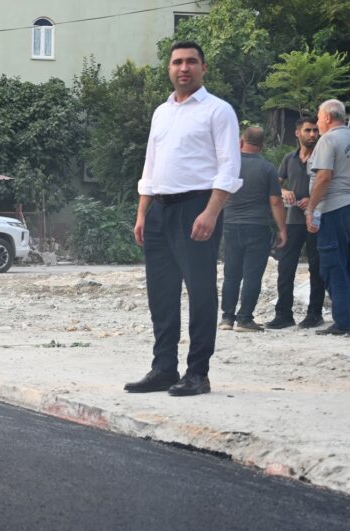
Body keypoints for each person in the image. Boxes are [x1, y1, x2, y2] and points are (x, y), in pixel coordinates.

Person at [125, 41, 241, 397]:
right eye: (177, 62)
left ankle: (197, 373)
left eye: (191, 62)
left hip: (197, 208)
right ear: (169, 69)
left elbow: (229, 167)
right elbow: (151, 165)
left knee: (201, 291)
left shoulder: (218, 111)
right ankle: (163, 368)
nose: (184, 68)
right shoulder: (162, 113)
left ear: (203, 68)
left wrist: (211, 211)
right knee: (161, 293)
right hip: (159, 208)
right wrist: (143, 212)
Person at [219, 126, 287, 332]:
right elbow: (275, 202)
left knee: (231, 274)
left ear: (241, 142)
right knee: (252, 276)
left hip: (230, 225)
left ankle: (227, 318)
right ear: (262, 145)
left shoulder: (229, 166)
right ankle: (245, 319)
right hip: (257, 227)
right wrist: (282, 229)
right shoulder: (267, 168)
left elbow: (219, 195)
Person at [268, 116, 326, 329]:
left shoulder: (323, 157)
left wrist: (313, 199)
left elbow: (330, 183)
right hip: (293, 220)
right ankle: (283, 314)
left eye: (315, 131)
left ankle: (315, 314)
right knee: (285, 267)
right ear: (297, 133)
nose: (313, 135)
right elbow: (275, 183)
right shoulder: (289, 158)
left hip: (317, 219)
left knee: (316, 267)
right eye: (308, 130)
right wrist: (283, 192)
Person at [305, 99, 350, 336]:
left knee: (334, 264)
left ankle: (343, 320)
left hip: (335, 208)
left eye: (319, 117)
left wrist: (311, 209)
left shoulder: (328, 139)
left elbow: (323, 177)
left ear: (328, 118)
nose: (318, 122)